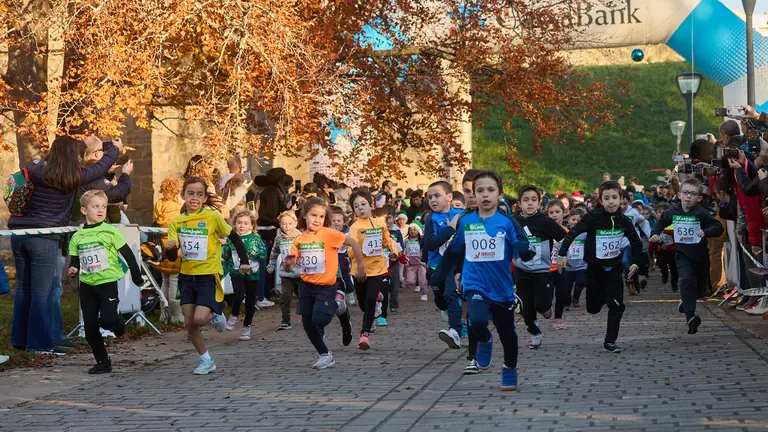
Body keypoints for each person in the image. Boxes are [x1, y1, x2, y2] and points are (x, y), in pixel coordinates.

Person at [10, 135, 119, 355]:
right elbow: (100, 168)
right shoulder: (70, 176)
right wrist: (114, 150)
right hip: (44, 236)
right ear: (72, 154)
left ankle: (20, 339)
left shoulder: (34, 167)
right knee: (42, 291)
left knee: (23, 289)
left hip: (19, 232)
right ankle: (39, 343)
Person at [446, 170, 533, 391]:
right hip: (474, 283)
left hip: (501, 288)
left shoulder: (506, 222)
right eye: (480, 191)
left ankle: (510, 368)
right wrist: (441, 276)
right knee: (476, 320)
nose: (485, 195)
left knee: (508, 335)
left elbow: (521, 244)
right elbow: (455, 251)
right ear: (473, 195)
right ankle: (484, 341)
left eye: (490, 190)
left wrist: (525, 251)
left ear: (500, 194)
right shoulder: (466, 222)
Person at [166, 176, 251, 374]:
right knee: (189, 323)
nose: (194, 198)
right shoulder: (177, 222)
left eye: (199, 194)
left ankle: (215, 312)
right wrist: (170, 248)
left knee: (200, 319)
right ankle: (206, 359)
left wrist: (244, 261)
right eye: (190, 193)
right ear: (183, 196)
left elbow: (234, 238)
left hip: (207, 275)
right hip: (186, 276)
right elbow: (171, 258)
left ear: (204, 198)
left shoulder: (212, 218)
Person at [556, 180, 643, 354]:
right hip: (594, 271)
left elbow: (637, 244)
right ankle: (604, 297)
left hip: (614, 270)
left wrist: (635, 263)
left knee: (617, 306)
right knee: (593, 309)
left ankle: (610, 341)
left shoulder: (624, 221)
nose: (611, 202)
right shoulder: (592, 217)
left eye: (614, 198)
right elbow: (573, 233)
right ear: (601, 201)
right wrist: (562, 254)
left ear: (620, 199)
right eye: (607, 198)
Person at [67, 190, 144, 374]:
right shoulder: (78, 236)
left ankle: (118, 324)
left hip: (108, 282)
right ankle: (103, 361)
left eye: (103, 206)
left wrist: (136, 275)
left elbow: (128, 254)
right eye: (95, 207)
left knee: (107, 321)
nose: (101, 210)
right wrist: (73, 269)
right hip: (87, 285)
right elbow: (75, 259)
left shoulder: (111, 231)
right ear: (84, 211)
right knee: (91, 325)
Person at [283, 197, 365, 369]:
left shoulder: (329, 234)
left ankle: (339, 307)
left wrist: (360, 267)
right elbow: (290, 269)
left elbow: (354, 243)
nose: (317, 220)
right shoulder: (299, 240)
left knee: (320, 319)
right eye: (313, 215)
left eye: (321, 217)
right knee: (308, 323)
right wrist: (289, 263)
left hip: (327, 286)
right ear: (304, 215)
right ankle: (325, 355)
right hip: (306, 287)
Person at [650, 178, 724, 334]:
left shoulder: (701, 213)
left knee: (699, 289)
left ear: (699, 198)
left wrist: (706, 232)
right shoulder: (673, 211)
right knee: (686, 279)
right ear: (679, 195)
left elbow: (718, 227)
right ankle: (690, 317)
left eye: (693, 194)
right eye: (685, 193)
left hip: (701, 256)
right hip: (682, 254)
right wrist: (655, 234)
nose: (688, 197)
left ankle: (687, 300)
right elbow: (660, 223)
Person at [514, 185, 566, 348]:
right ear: (519, 203)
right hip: (521, 270)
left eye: (534, 200)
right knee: (526, 307)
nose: (530, 204)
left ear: (539, 203)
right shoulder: (514, 222)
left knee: (541, 304)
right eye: (526, 200)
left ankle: (546, 308)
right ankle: (535, 333)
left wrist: (561, 256)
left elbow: (565, 238)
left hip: (542, 270)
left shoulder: (545, 222)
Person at [347, 191, 399, 350]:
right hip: (360, 270)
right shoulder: (355, 227)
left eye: (363, 204)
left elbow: (387, 239)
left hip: (377, 267)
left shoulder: (380, 223)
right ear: (353, 211)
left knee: (369, 301)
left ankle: (364, 334)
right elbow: (350, 250)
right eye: (356, 206)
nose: (361, 209)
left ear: (371, 204)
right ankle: (378, 296)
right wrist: (359, 259)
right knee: (363, 303)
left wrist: (394, 251)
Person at [423, 181, 464, 349]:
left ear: (449, 197)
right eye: (430, 197)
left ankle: (455, 332)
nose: (433, 200)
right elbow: (430, 243)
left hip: (453, 265)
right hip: (436, 267)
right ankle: (449, 312)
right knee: (440, 300)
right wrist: (449, 229)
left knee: (451, 294)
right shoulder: (431, 219)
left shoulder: (460, 215)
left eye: (437, 196)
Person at [222, 211, 266, 340]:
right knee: (239, 294)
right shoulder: (231, 239)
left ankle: (247, 328)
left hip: (252, 273)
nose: (242, 226)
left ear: (251, 226)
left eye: (246, 223)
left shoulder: (255, 238)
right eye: (239, 223)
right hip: (236, 272)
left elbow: (263, 254)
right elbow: (225, 255)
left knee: (250, 301)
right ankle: (234, 315)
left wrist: (253, 252)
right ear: (234, 224)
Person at [153, 177, 184, 323]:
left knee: (165, 281)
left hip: (162, 245)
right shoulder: (178, 208)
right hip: (175, 247)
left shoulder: (159, 204)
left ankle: (164, 314)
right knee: (174, 282)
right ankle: (176, 315)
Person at [267, 210, 303, 330]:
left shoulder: (300, 237)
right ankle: (285, 320)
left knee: (302, 295)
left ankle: (305, 316)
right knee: (285, 296)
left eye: (289, 223)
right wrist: (271, 265)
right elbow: (274, 253)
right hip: (286, 273)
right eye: (283, 224)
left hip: (300, 272)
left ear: (295, 223)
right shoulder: (279, 238)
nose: (286, 227)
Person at [564, 209, 587, 309]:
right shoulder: (564, 232)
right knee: (567, 287)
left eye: (578, 220)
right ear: (568, 219)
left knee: (581, 282)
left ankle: (576, 297)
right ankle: (567, 301)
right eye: (573, 219)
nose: (575, 222)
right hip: (568, 265)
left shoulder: (585, 234)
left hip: (581, 264)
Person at [404, 221, 428, 301]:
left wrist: (426, 261)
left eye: (414, 229)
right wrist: (405, 260)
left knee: (422, 280)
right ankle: (411, 284)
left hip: (421, 264)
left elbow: (426, 251)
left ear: (418, 230)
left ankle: (424, 293)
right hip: (411, 264)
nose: (412, 231)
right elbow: (403, 250)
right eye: (410, 230)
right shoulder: (406, 240)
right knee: (409, 281)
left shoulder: (422, 240)